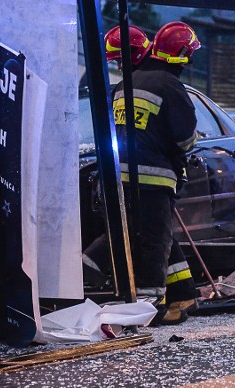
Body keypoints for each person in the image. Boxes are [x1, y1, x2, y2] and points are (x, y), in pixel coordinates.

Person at [84, 24, 200, 324]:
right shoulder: (171, 86)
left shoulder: (125, 85)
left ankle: (185, 293)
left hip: (119, 178)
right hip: (155, 179)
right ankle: (149, 306)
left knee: (153, 236)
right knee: (154, 242)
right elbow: (186, 139)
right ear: (182, 56)